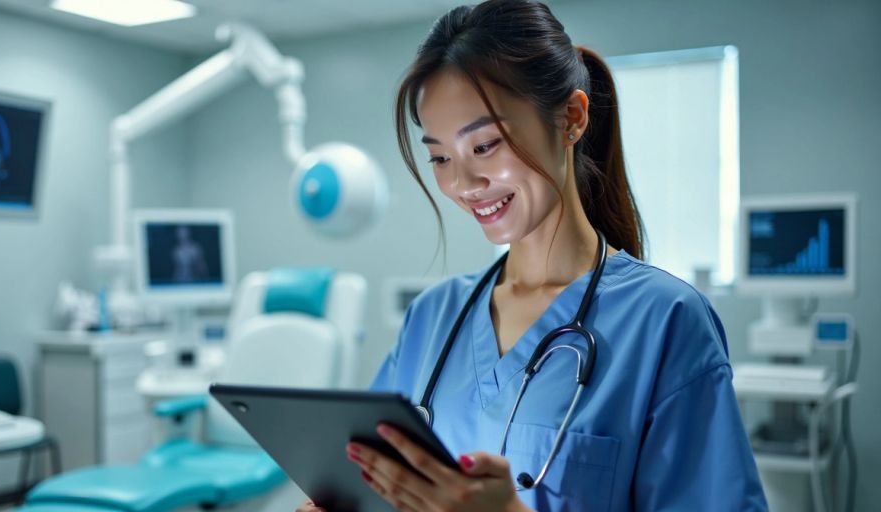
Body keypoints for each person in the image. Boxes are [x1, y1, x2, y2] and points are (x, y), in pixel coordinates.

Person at [299, 0, 767, 510]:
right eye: (439, 157)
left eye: (485, 146)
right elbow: (369, 479)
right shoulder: (431, 319)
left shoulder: (665, 321)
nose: (463, 184)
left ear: (571, 118)